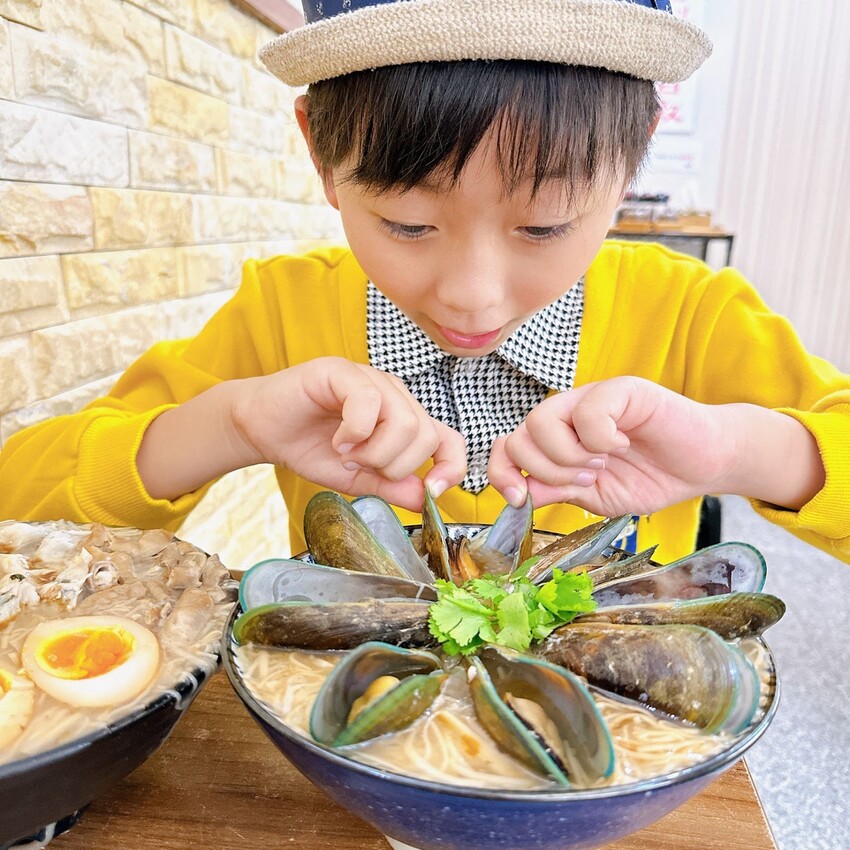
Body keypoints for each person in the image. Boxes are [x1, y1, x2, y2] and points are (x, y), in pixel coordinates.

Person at [1, 0, 848, 565]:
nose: (472, 296)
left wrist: (742, 451)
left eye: (544, 227)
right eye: (408, 225)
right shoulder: (281, 309)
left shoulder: (690, 315)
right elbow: (21, 497)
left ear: (636, 160)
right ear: (318, 154)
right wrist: (232, 423)